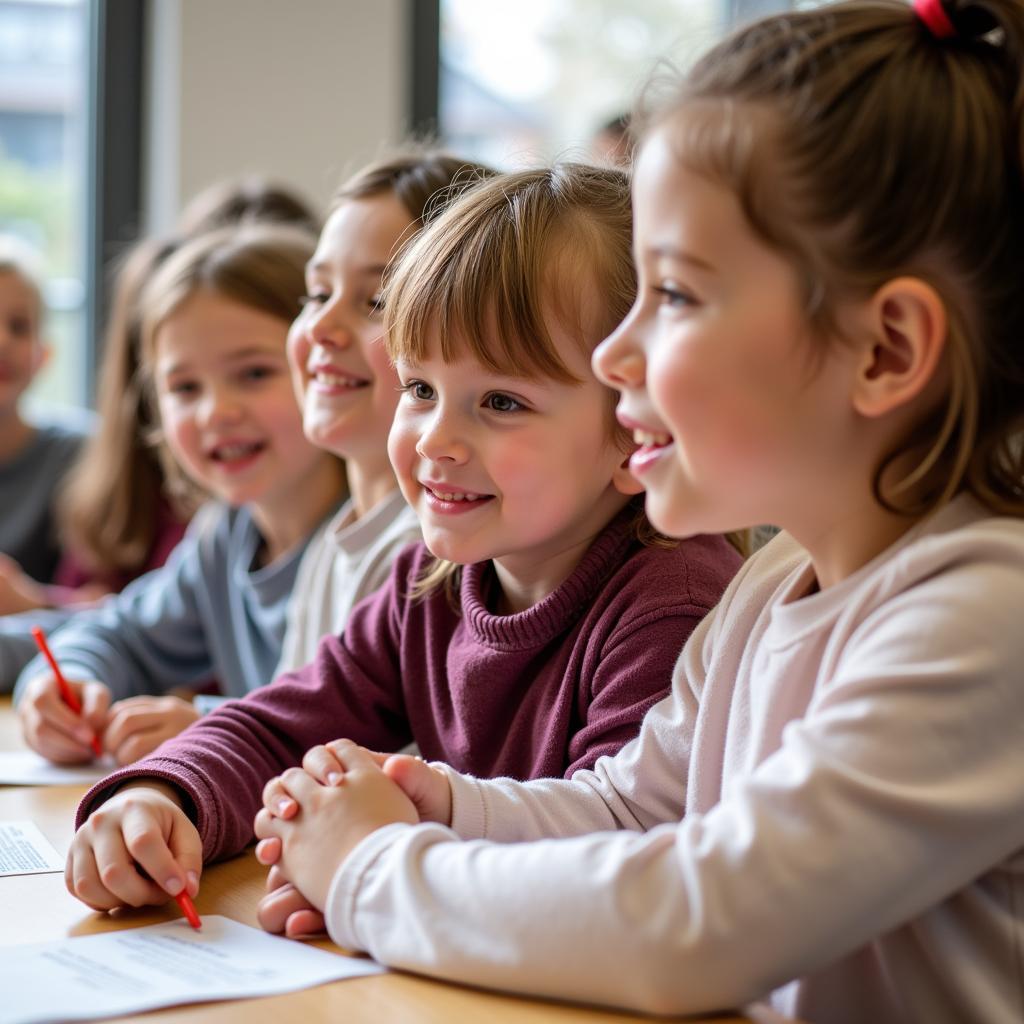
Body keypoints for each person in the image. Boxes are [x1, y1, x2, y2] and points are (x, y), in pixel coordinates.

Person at [244, 1, 1020, 1021]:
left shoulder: (982, 615)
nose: (615, 356)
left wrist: (374, 867)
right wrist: (442, 800)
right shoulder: (769, 586)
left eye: (675, 296)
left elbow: (697, 918)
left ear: (883, 351)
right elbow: (632, 807)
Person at [62, 164, 743, 933]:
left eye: (501, 401)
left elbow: (624, 843)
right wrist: (161, 796)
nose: (436, 441)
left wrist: (385, 844)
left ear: (636, 428)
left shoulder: (670, 600)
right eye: (419, 388)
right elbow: (278, 724)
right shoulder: (432, 579)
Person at [15, 222, 347, 765]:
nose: (216, 411)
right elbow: (117, 633)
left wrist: (206, 725)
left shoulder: (373, 544)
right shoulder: (226, 534)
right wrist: (61, 686)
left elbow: (374, 733)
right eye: (184, 388)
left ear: (328, 370)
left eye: (255, 373)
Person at [276, 150, 494, 674]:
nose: (320, 327)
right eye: (318, 293)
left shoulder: (437, 554)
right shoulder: (335, 543)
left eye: (374, 302)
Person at [0, 237, 85, 591]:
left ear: (43, 355)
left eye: (19, 326)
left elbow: (115, 606)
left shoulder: (81, 456)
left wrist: (33, 602)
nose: (1, 342)